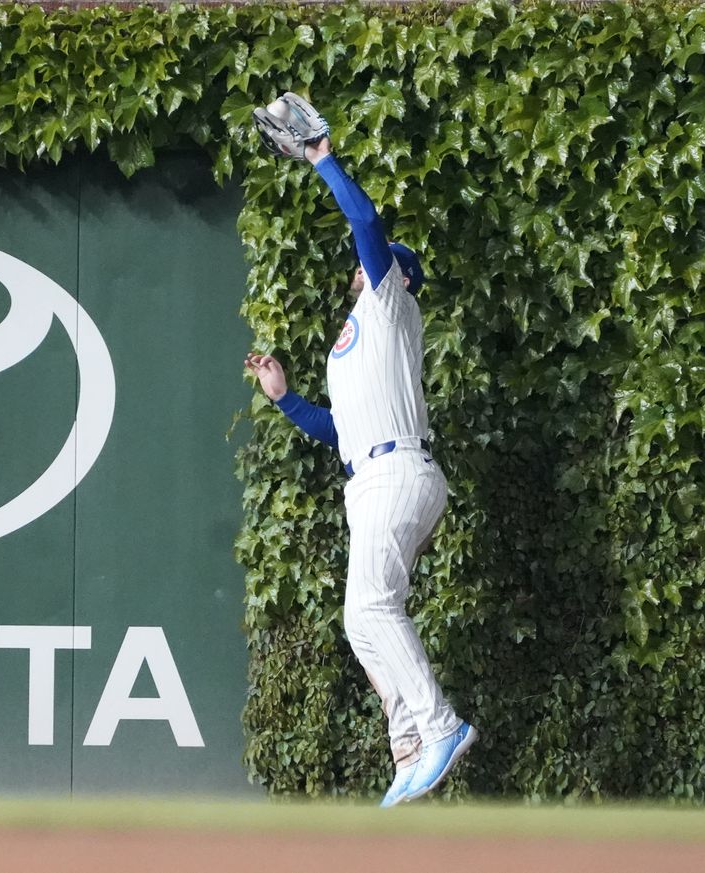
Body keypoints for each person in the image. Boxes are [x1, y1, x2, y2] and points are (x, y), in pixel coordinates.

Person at [245, 112, 476, 808]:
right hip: (375, 473)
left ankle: (441, 726)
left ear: (398, 275)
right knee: (364, 615)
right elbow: (341, 429)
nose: (366, 261)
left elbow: (368, 222)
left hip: (397, 475)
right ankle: (408, 745)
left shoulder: (388, 303)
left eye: (381, 259)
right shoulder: (358, 340)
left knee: (373, 604)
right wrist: (285, 400)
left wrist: (322, 159)